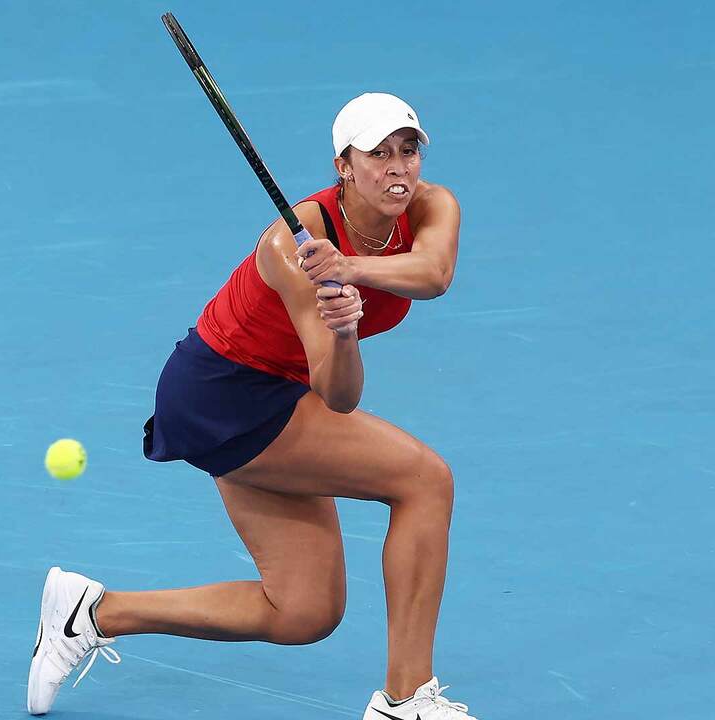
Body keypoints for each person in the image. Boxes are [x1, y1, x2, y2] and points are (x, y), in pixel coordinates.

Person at [28, 92, 473, 720]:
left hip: (277, 393)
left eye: (408, 150)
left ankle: (91, 613)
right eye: (379, 154)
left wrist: (352, 275)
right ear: (344, 166)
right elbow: (339, 396)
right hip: (224, 394)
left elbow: (434, 273)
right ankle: (406, 701)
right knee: (425, 481)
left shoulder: (431, 206)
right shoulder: (294, 244)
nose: (399, 167)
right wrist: (343, 331)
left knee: (302, 611)